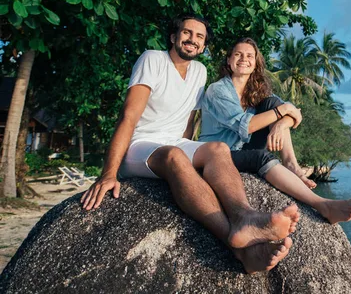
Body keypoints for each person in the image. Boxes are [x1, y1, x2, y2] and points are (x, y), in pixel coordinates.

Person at [81, 15, 300, 274]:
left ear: (204, 45)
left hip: (175, 142)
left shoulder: (199, 72)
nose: (192, 40)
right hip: (140, 145)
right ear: (173, 37)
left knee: (217, 149)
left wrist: (194, 157)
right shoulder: (153, 59)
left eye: (200, 37)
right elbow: (128, 116)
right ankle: (238, 248)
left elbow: (188, 121)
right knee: (175, 157)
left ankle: (244, 217)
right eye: (187, 33)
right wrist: (109, 173)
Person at [200, 37, 351, 224]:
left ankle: (291, 165)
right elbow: (248, 125)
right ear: (229, 60)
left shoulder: (255, 91)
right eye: (238, 54)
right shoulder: (217, 90)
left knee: (272, 104)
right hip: (220, 154)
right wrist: (283, 112)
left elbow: (295, 115)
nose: (244, 59)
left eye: (249, 56)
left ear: (255, 63)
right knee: (261, 152)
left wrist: (280, 124)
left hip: (243, 147)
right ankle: (322, 205)